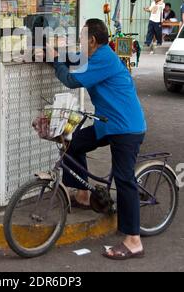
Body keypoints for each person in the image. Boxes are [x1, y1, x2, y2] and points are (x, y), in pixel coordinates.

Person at [48, 19, 147, 260]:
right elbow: (74, 59)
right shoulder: (95, 56)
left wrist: (54, 59)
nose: (79, 43)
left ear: (92, 41)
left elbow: (72, 80)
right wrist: (56, 52)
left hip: (125, 128)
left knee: (124, 180)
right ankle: (83, 194)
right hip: (108, 124)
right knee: (72, 142)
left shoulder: (103, 58)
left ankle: (134, 241)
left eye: (82, 38)